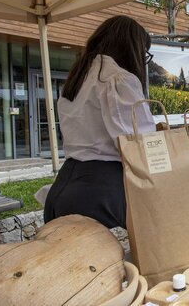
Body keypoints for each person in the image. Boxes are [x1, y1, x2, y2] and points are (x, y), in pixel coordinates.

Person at [44, 16, 155, 229]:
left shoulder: (80, 76)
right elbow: (138, 144)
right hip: (101, 193)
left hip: (64, 185)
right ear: (132, 49)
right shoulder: (116, 78)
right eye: (144, 53)